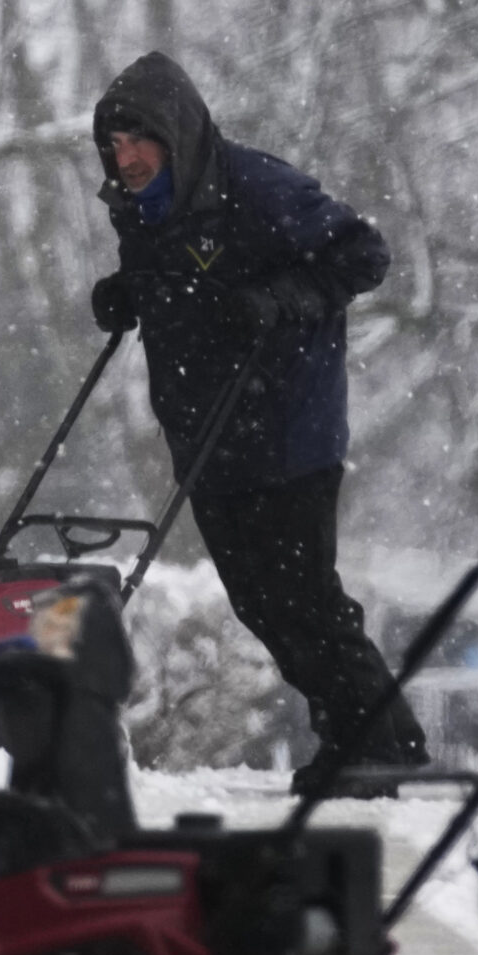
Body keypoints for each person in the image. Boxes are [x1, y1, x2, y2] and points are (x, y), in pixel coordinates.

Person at [89, 53, 426, 796]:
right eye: (115, 144)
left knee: (305, 597)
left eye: (139, 139)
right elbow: (179, 289)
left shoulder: (256, 187)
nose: (127, 157)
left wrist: (279, 300)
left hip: (288, 429)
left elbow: (363, 255)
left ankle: (383, 744)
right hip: (207, 439)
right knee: (261, 604)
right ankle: (357, 737)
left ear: (175, 134)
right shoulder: (142, 211)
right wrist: (128, 293)